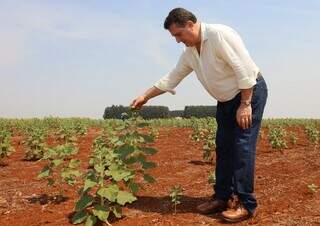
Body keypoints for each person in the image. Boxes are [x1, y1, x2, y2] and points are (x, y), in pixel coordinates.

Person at [130, 7, 268, 223]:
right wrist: (145, 96)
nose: (177, 40)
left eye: (178, 34)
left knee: (242, 147)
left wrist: (246, 103)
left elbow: (244, 69)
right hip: (225, 101)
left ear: (190, 24)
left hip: (248, 94)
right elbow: (171, 78)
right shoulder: (190, 53)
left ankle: (246, 204)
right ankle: (222, 197)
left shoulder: (219, 35)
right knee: (223, 146)